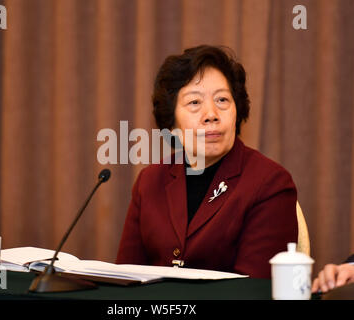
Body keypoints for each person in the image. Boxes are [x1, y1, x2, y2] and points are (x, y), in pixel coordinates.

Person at [116, 45, 298, 278]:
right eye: (194, 103)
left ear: (237, 112)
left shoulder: (269, 182)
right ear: (172, 124)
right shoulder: (150, 181)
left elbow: (254, 289)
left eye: (222, 100)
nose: (211, 114)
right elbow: (125, 279)